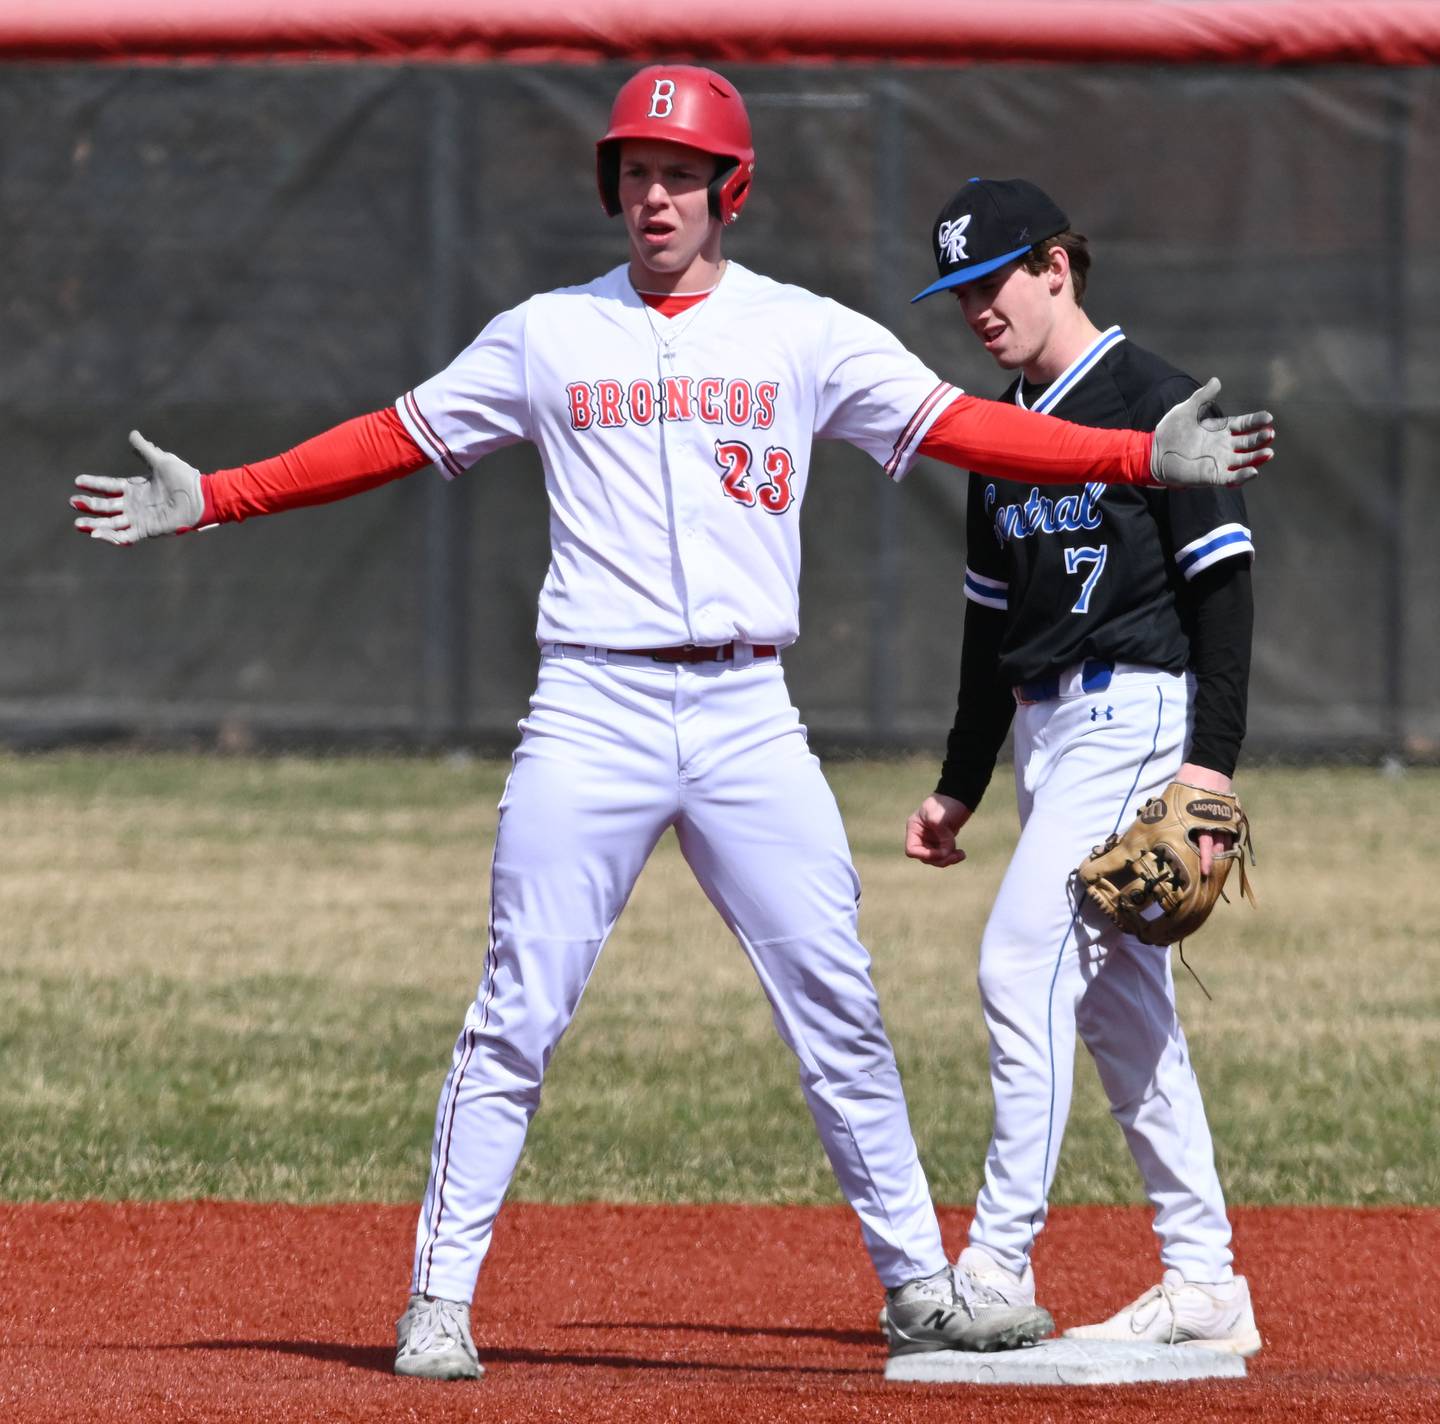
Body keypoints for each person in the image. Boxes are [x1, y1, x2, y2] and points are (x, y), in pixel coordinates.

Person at [71, 72, 1273, 1381]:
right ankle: (439, 1303)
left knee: (840, 1008)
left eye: (680, 174)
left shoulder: (803, 333)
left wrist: (1131, 458)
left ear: (728, 192)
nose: (654, 194)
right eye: (635, 172)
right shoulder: (546, 335)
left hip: (751, 712)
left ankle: (922, 1286)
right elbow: (394, 435)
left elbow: (963, 429)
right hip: (593, 703)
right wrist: (218, 497)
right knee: (517, 1014)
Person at [902, 177, 1263, 1355]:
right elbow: (984, 629)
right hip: (1048, 738)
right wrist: (962, 780)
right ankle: (1204, 1277)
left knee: (1019, 961)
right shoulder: (996, 431)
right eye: (957, 292)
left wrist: (1210, 769)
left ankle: (996, 1265)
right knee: (1121, 1011)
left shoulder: (1156, 399)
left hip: (1137, 715)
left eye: (990, 280)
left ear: (1057, 264)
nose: (974, 308)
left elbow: (1224, 592)